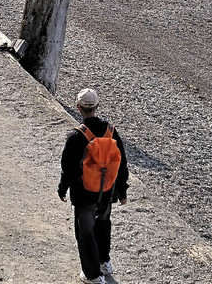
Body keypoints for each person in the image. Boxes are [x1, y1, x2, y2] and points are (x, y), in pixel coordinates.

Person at [58, 88, 129, 283]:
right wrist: (122, 191)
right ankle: (104, 263)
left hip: (84, 194)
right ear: (97, 106)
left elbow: (68, 168)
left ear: (78, 108)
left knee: (86, 232)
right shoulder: (111, 131)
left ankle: (92, 275)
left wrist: (62, 188)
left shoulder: (77, 136)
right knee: (103, 225)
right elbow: (122, 163)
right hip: (107, 191)